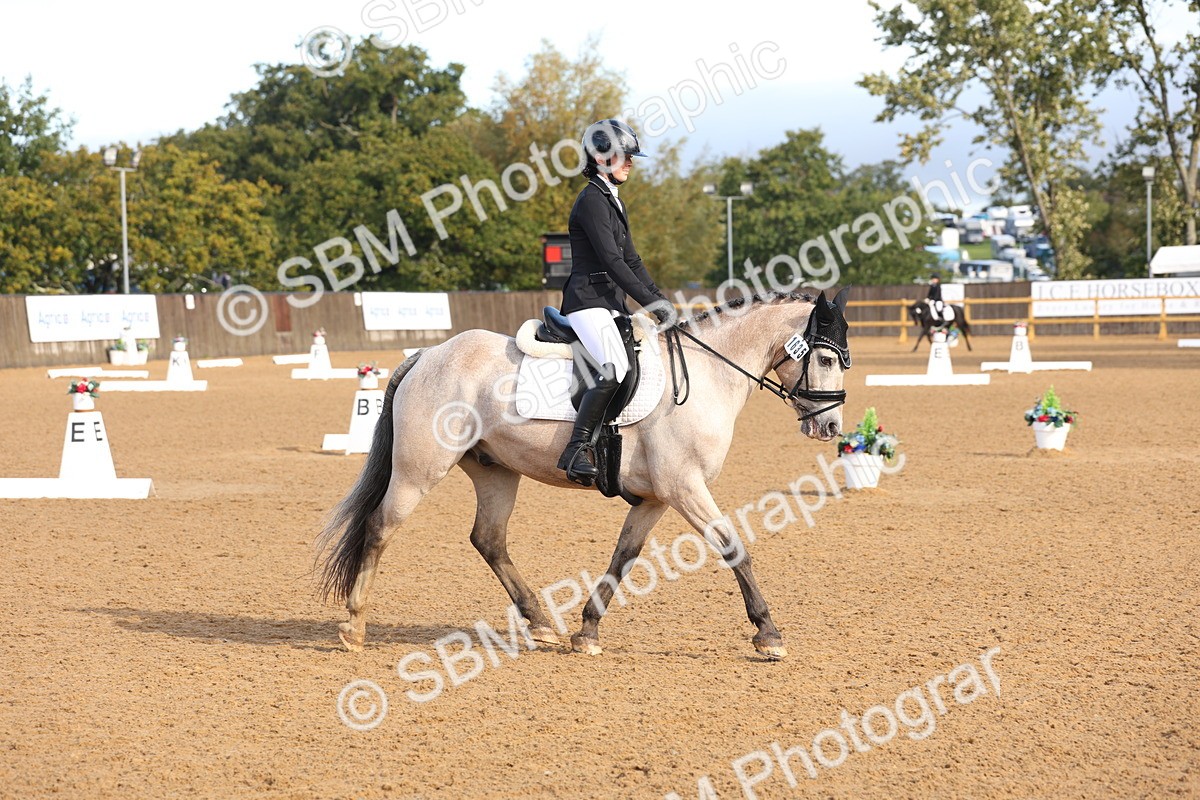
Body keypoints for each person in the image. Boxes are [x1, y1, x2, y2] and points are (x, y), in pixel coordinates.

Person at [556, 119, 672, 486]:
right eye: (624, 157)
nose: (631, 163)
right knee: (615, 367)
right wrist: (648, 302)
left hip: (609, 304)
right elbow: (612, 261)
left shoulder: (611, 199)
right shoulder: (591, 200)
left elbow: (633, 260)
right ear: (600, 158)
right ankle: (575, 448)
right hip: (587, 302)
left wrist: (660, 300)